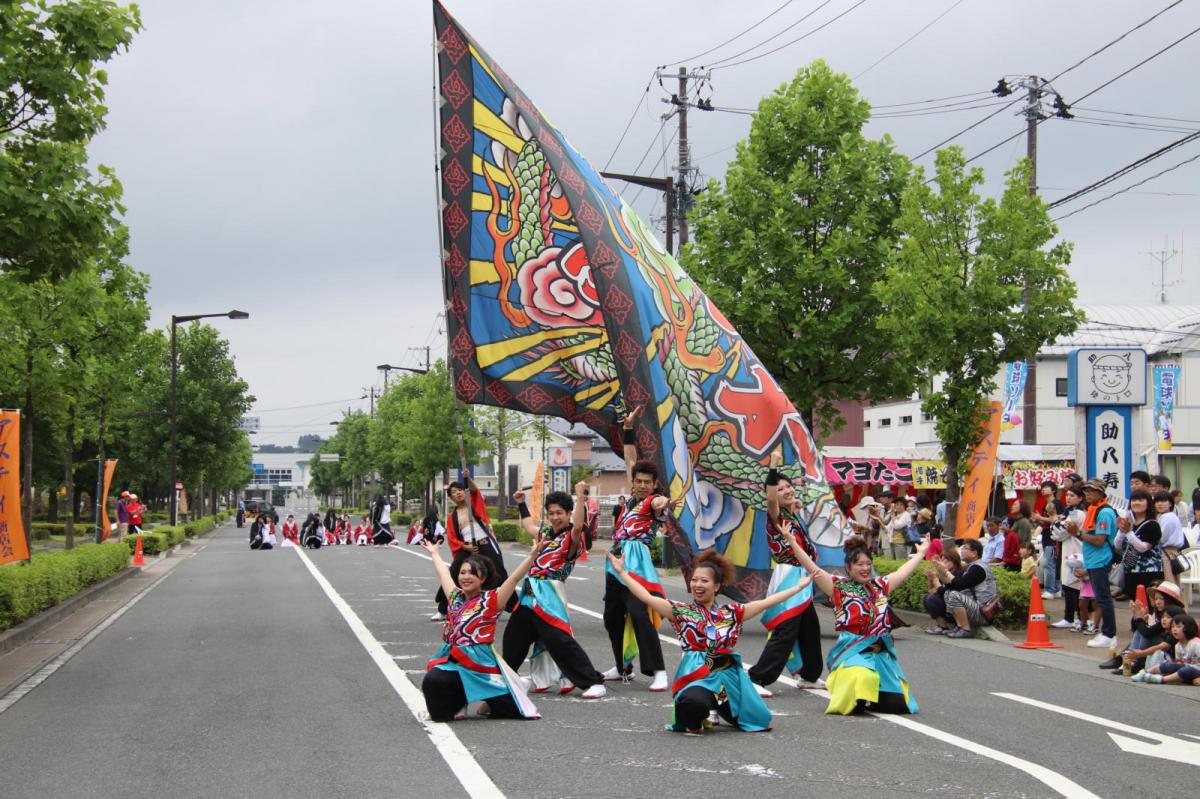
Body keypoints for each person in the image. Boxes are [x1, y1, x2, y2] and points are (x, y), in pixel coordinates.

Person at [608, 546, 812, 734]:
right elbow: (646, 597)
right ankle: (702, 715)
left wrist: (797, 588)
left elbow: (767, 602)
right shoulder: (681, 611)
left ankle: (720, 709)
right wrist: (622, 573)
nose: (697, 584)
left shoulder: (732, 613)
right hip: (698, 677)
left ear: (717, 586)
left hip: (728, 682)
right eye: (694, 580)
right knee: (691, 703)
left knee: (758, 720)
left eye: (704, 581)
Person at [789, 533, 931, 715]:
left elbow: (901, 573)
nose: (865, 568)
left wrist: (920, 554)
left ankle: (869, 697)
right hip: (854, 650)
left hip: (880, 653)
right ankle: (851, 689)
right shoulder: (839, 587)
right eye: (859, 564)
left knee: (898, 705)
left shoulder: (879, 586)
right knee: (862, 681)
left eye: (868, 564)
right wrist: (792, 542)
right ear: (848, 568)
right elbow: (813, 568)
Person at [420, 535, 547, 721]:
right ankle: (459, 701)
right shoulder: (455, 597)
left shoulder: (492, 600)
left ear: (483, 578)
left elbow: (513, 579)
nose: (466, 577)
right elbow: (444, 574)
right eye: (463, 572)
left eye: (472, 573)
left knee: (512, 711)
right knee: (434, 684)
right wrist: (435, 554)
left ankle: (514, 685)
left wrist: (532, 557)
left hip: (482, 667)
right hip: (454, 661)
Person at [501, 484, 606, 699]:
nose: (555, 517)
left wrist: (579, 497)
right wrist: (521, 503)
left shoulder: (573, 538)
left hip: (549, 594)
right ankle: (506, 679)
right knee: (514, 637)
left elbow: (577, 526)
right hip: (530, 594)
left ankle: (592, 681)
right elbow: (528, 526)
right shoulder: (547, 533)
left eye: (560, 513)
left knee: (560, 640)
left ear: (568, 513)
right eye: (551, 513)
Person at [601, 405, 676, 691]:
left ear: (655, 485)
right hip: (616, 559)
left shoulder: (651, 503)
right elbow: (631, 457)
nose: (642, 485)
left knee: (638, 612)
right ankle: (623, 666)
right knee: (612, 615)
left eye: (647, 483)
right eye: (639, 481)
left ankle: (658, 670)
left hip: (636, 562)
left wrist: (664, 502)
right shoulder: (632, 498)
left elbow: (659, 504)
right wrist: (629, 427)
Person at [748, 453, 826, 696]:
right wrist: (772, 466)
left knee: (810, 627)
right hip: (789, 575)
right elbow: (771, 498)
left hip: (801, 575)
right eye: (780, 489)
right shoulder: (775, 514)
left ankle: (809, 674)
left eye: (788, 486)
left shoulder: (791, 514)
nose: (786, 490)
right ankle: (757, 678)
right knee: (786, 629)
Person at [438, 476, 508, 621]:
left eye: (460, 490)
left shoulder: (475, 504)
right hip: (468, 547)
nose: (458, 493)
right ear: (451, 498)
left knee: (499, 573)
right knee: (454, 572)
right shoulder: (452, 516)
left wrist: (467, 477)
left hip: (486, 543)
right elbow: (451, 537)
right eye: (454, 492)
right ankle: (443, 609)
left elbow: (475, 490)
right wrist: (465, 546)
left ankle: (513, 607)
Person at [1067, 479, 1120, 649]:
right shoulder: (1093, 509)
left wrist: (1077, 534)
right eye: (1086, 490)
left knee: (1103, 598)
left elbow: (1099, 540)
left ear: (1101, 493)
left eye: (1092, 490)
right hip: (1094, 559)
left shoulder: (1104, 512)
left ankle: (1109, 633)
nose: (1088, 493)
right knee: (1101, 597)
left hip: (1100, 558)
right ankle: (1105, 632)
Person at [1100, 581, 1186, 671]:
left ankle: (1136, 662)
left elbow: (1148, 633)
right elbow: (1136, 630)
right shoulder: (1160, 614)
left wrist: (1139, 618)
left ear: (1170, 600)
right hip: (1162, 650)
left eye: (1162, 599)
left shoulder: (1174, 616)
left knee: (1146, 635)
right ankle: (1126, 659)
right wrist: (1136, 616)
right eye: (1156, 599)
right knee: (1139, 633)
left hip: (1170, 654)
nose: (1158, 602)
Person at [926, 539, 998, 639]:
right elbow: (951, 586)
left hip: (982, 612)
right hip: (975, 609)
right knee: (949, 593)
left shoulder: (978, 568)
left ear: (974, 553)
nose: (961, 550)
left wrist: (945, 572)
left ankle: (965, 629)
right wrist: (940, 571)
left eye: (965, 548)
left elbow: (959, 585)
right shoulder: (970, 567)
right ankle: (960, 627)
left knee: (953, 594)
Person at [1051, 486, 1087, 630]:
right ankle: (1072, 617)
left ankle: (1073, 618)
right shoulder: (1069, 512)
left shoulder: (1077, 514)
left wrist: (1055, 523)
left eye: (1072, 495)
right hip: (1069, 548)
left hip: (1075, 550)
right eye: (1067, 495)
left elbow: (1060, 533)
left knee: (1073, 585)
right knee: (1069, 584)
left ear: (1080, 498)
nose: (1068, 497)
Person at [1118, 489, 1164, 598]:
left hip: (1149, 573)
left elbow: (1142, 548)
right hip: (1130, 570)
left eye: (1141, 500)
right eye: (1134, 500)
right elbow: (1117, 545)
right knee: (1136, 606)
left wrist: (1128, 532)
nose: (1136, 502)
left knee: (1149, 606)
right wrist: (1121, 530)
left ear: (1148, 503)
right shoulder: (1130, 523)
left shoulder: (1152, 525)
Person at [1132, 614, 1200, 685]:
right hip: (1185, 672)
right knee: (1168, 665)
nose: (1174, 629)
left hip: (1195, 671)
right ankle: (1145, 672)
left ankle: (1161, 679)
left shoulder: (1196, 644)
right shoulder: (1177, 645)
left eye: (1179, 626)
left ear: (1189, 628)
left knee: (1187, 670)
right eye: (1173, 626)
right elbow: (1179, 663)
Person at [1030, 480, 1063, 599]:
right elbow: (1046, 522)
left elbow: (1057, 520)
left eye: (1046, 487)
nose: (1043, 489)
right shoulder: (1045, 505)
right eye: (1042, 487)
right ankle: (1057, 589)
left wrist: (1040, 517)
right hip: (1046, 536)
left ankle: (1050, 590)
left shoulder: (1056, 503)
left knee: (1048, 563)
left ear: (1053, 490)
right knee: (1052, 564)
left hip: (1053, 538)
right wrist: (1037, 519)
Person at [1154, 491, 1187, 587]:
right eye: (1157, 501)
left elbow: (1161, 537)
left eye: (1163, 501)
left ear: (1170, 504)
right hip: (1174, 552)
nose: (1159, 504)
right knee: (1175, 583)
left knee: (1169, 584)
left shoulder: (1166, 517)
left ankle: (1173, 602)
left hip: (1167, 553)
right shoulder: (1171, 516)